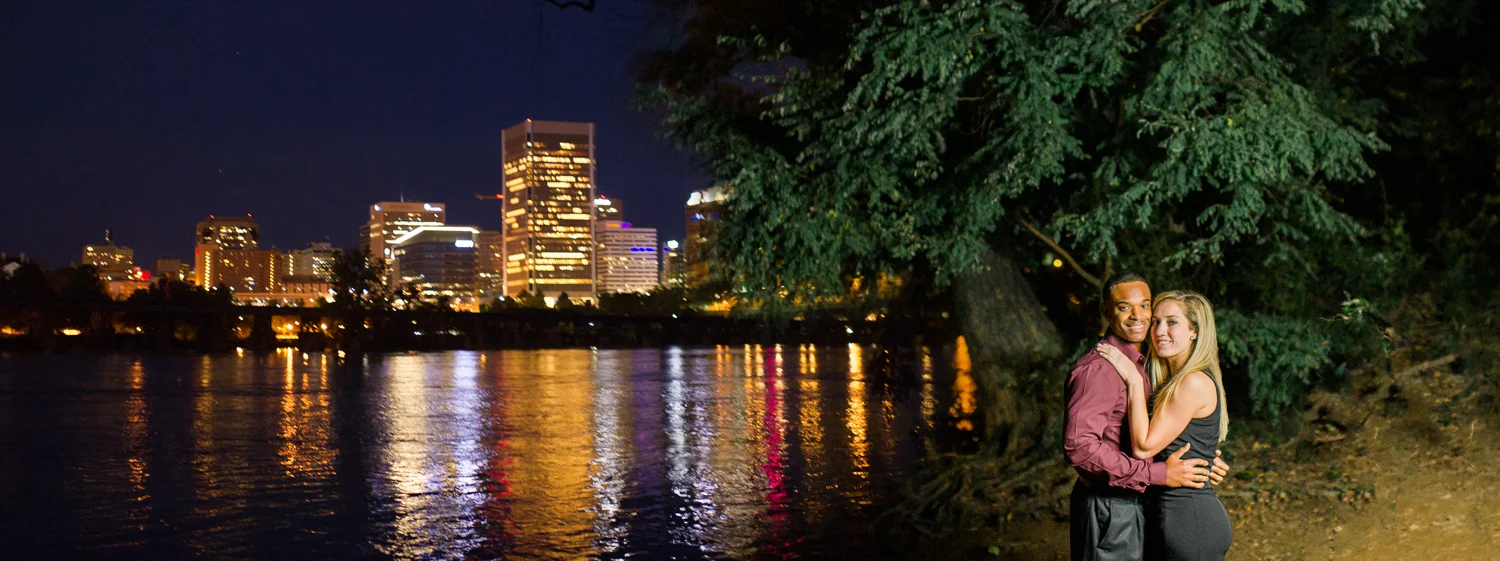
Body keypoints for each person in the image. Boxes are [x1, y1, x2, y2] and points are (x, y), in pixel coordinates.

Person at [1064, 273, 1229, 561]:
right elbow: (1080, 448)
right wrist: (1159, 473)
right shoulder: (1101, 369)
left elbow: (1162, 429)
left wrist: (1200, 454)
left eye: (1144, 306)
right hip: (1111, 505)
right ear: (1106, 311)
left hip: (1148, 503)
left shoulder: (1145, 367)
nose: (1137, 316)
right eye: (1124, 306)